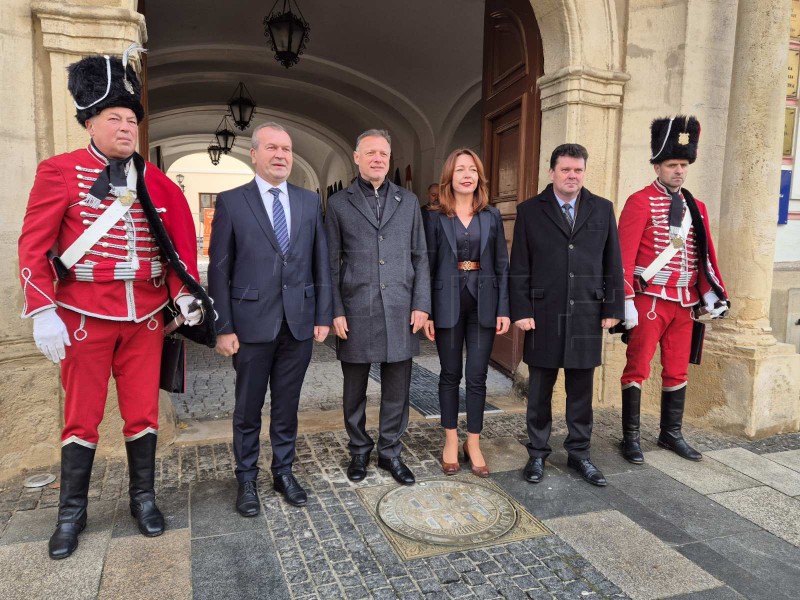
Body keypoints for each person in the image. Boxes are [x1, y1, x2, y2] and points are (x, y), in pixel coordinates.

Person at [18, 48, 212, 560]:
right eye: (114, 118)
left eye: (131, 119)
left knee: (142, 413)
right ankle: (71, 514)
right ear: (90, 123)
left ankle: (143, 499)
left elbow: (178, 246)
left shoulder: (158, 181)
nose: (126, 128)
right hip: (84, 317)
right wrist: (42, 310)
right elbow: (34, 244)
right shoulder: (60, 171)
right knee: (81, 418)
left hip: (146, 319)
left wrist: (184, 295)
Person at [208, 122, 332, 512]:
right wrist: (223, 327)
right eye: (273, 148)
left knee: (287, 404)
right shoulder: (231, 202)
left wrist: (322, 314)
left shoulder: (309, 202)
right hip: (249, 325)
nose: (281, 155)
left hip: (297, 322)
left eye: (287, 149)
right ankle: (246, 479)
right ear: (255, 154)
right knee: (247, 407)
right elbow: (218, 270)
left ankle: (283, 471)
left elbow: (321, 264)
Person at [509, 143, 624, 487]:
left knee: (580, 391)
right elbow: (520, 265)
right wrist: (521, 310)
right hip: (542, 313)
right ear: (552, 172)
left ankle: (580, 454)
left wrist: (613, 308)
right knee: (540, 390)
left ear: (583, 172)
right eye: (565, 170)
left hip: (587, 314)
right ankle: (537, 454)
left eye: (578, 170)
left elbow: (612, 262)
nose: (572, 176)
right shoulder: (530, 210)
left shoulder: (602, 209)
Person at [617, 116, 728, 464]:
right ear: (657, 166)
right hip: (650, 299)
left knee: (678, 368)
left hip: (686, 304)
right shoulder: (640, 201)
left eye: (683, 165)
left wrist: (710, 293)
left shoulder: (698, 208)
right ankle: (631, 438)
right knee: (637, 367)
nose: (679, 171)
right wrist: (626, 299)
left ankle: (671, 433)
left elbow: (704, 255)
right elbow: (623, 254)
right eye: (672, 165)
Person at [325, 129, 430, 486]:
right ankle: (358, 451)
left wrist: (422, 304)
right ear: (357, 157)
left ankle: (390, 453)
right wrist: (334, 310)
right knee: (354, 388)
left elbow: (421, 256)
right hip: (355, 309)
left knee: (397, 387)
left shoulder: (409, 201)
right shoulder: (339, 204)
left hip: (401, 308)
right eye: (370, 152)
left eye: (383, 153)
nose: (377, 159)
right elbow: (330, 262)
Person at [423, 149, 509, 477]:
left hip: (483, 304)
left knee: (476, 375)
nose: (467, 175)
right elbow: (426, 267)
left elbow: (501, 263)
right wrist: (427, 312)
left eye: (472, 169)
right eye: (460, 169)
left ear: (479, 176)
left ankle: (473, 442)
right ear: (450, 176)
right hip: (446, 303)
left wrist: (504, 308)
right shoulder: (434, 217)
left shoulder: (492, 216)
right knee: (449, 374)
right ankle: (449, 439)